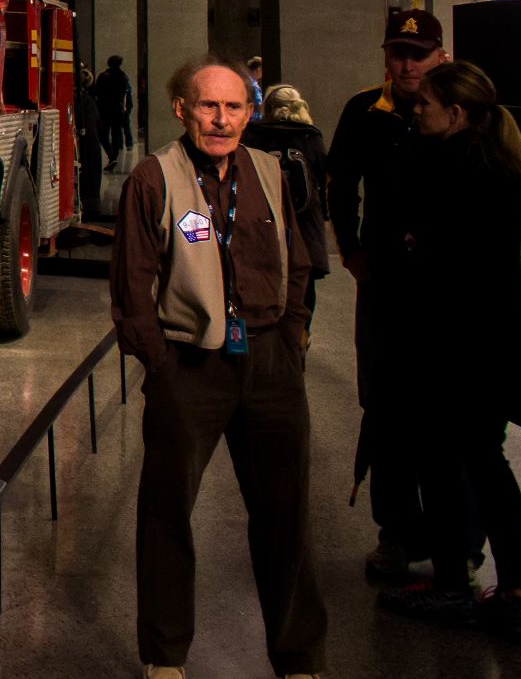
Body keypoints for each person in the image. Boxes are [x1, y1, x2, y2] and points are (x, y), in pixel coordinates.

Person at [110, 54, 325, 679]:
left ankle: (299, 657)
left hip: (269, 362)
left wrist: (291, 337)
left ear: (251, 113)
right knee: (167, 512)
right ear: (182, 109)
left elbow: (299, 259)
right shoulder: (155, 178)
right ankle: (166, 656)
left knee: (287, 515)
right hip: (191, 365)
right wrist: (162, 367)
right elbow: (133, 287)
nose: (222, 119)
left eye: (234, 107)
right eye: (209, 105)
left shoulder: (271, 172)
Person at [377, 61, 521, 636]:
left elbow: (418, 240)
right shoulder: (504, 165)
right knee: (489, 461)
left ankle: (452, 584)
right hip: (499, 335)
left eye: (426, 104)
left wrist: (414, 240)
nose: (416, 110)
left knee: (442, 462)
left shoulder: (443, 163)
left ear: (458, 111)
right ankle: (515, 589)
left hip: (447, 338)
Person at [324, 7, 460, 577]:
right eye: (397, 54)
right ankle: (396, 531)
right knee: (384, 406)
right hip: (383, 281)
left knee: (446, 412)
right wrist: (351, 250)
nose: (405, 65)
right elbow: (341, 184)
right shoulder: (365, 111)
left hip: (445, 288)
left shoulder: (461, 113)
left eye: (417, 55)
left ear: (440, 57)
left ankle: (456, 540)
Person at [242, 84, 331, 323]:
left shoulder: (253, 136)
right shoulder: (310, 136)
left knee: (266, 277)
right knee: (304, 282)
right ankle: (301, 333)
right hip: (305, 225)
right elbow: (325, 180)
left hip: (264, 222)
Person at [97, 54, 135, 169]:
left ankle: (112, 156)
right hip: (117, 110)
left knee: (103, 133)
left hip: (104, 109)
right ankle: (114, 155)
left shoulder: (104, 76)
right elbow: (125, 94)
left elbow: (97, 91)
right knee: (116, 133)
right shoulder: (123, 77)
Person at [76, 63, 104, 220]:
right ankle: (92, 205)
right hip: (91, 142)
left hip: (86, 142)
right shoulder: (88, 101)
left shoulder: (83, 101)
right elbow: (98, 124)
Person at [246, 56, 266, 122]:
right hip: (253, 121)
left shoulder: (251, 83)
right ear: (259, 70)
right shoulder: (251, 84)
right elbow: (258, 105)